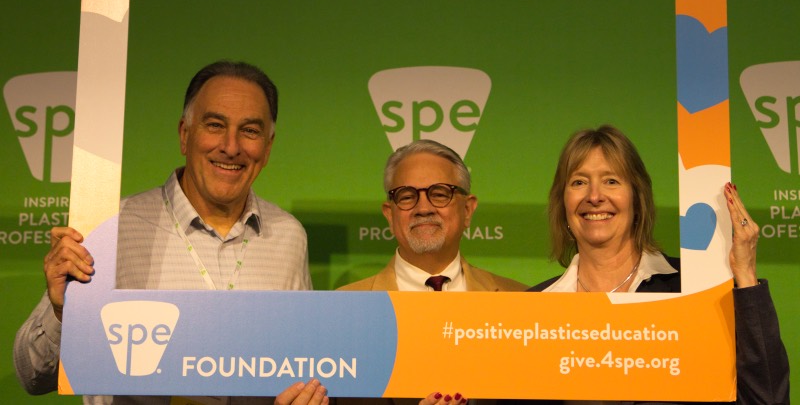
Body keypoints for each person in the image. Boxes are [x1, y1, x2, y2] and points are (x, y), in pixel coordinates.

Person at [14, 60, 329, 405]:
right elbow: (33, 376)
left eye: (250, 131)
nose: (231, 146)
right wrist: (64, 311)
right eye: (215, 125)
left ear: (267, 148)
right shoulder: (111, 227)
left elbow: (299, 365)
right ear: (184, 134)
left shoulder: (288, 236)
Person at [529, 125, 789, 404]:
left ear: (637, 198)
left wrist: (745, 276)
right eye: (579, 182)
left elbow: (767, 399)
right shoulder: (533, 310)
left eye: (611, 181)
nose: (594, 196)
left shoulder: (696, 290)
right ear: (563, 202)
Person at [338, 139, 528, 405]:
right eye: (407, 196)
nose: (424, 208)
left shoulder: (521, 303)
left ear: (467, 209)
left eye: (439, 194)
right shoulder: (343, 312)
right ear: (389, 214)